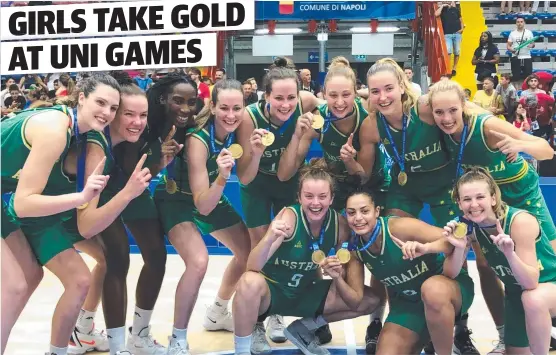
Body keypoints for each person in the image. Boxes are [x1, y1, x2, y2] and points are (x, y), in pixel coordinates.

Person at [359, 58, 480, 354]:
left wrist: (510, 140)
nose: (383, 97)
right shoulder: (372, 125)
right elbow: (363, 173)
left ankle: (460, 326)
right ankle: (379, 320)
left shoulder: (425, 109)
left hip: (445, 185)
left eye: (389, 88)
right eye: (375, 92)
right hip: (407, 185)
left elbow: (472, 115)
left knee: (461, 243)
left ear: (402, 86)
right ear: (368, 95)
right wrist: (351, 159)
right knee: (384, 239)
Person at [428, 79, 556, 353]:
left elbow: (547, 150)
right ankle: (504, 332)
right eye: (439, 112)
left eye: (452, 110)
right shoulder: (441, 128)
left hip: (521, 196)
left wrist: (522, 146)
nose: (447, 118)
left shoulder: (487, 127)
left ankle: (545, 321)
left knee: (548, 265)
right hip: (484, 203)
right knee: (488, 266)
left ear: (464, 106)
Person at [1, 74, 121, 355]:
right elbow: (23, 204)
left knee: (30, 275)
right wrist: (80, 198)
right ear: (81, 98)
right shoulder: (56, 130)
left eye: (113, 108)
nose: (106, 112)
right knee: (17, 285)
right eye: (100, 102)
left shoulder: (68, 125)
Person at [232, 158, 381, 355]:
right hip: (273, 294)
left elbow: (353, 298)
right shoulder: (288, 218)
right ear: (299, 198)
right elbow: (252, 266)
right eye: (309, 196)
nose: (316, 203)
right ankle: (242, 349)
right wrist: (268, 238)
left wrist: (337, 274)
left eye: (322, 196)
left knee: (370, 300)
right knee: (248, 282)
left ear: (331, 198)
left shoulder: (340, 226)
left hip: (306, 294)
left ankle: (303, 329)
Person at [98, 73, 197, 355]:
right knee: (116, 259)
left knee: (157, 256)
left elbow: (143, 172)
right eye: (179, 101)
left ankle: (139, 335)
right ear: (163, 99)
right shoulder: (141, 115)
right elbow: (128, 165)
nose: (185, 108)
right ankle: (116, 346)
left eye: (191, 102)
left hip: (136, 188)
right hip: (106, 189)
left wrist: (159, 162)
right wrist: (157, 159)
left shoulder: (176, 124)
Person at [152, 79, 251, 354]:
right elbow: (203, 206)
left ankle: (218, 311)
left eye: (237, 108)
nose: (231, 115)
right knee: (198, 261)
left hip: (208, 192)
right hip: (177, 198)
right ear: (213, 106)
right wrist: (222, 176)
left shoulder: (238, 127)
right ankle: (178, 338)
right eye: (224, 108)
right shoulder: (198, 140)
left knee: (249, 253)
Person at [235, 57, 324, 352]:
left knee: (292, 245)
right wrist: (257, 152)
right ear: (266, 96)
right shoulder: (249, 117)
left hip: (290, 183)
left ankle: (282, 313)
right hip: (257, 184)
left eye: (290, 97)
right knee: (261, 248)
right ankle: (260, 319)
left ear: (299, 95)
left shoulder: (308, 101)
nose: (285, 104)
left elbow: (333, 114)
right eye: (278, 98)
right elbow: (245, 177)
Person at [64, 72, 152, 355]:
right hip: (36, 209)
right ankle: (107, 344)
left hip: (59, 206)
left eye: (143, 115)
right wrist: (129, 191)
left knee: (107, 259)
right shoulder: (97, 145)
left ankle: (83, 329)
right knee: (112, 257)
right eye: (127, 113)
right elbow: (87, 224)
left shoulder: (115, 144)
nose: (137, 122)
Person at [342, 184, 474, 355]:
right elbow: (354, 301)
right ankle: (429, 336)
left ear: (376, 211)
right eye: (351, 213)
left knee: (432, 289)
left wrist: (426, 248)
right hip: (410, 305)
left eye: (364, 211)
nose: (358, 218)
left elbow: (453, 239)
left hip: (447, 290)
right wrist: (337, 276)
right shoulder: (355, 250)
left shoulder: (398, 228)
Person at [445, 167, 556, 355]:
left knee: (532, 298)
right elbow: (450, 273)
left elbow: (531, 282)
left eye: (480, 197)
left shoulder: (520, 222)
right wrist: (458, 248)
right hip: (516, 296)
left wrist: (510, 254)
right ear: (459, 203)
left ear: (493, 199)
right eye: (467, 199)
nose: (474, 204)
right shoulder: (466, 227)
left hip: (548, 286)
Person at [277, 56, 389, 211]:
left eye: (346, 95)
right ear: (323, 94)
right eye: (333, 95)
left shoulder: (368, 113)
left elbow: (363, 178)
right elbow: (284, 175)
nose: (340, 102)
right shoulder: (317, 120)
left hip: (374, 183)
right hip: (337, 187)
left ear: (355, 93)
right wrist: (296, 136)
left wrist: (350, 161)